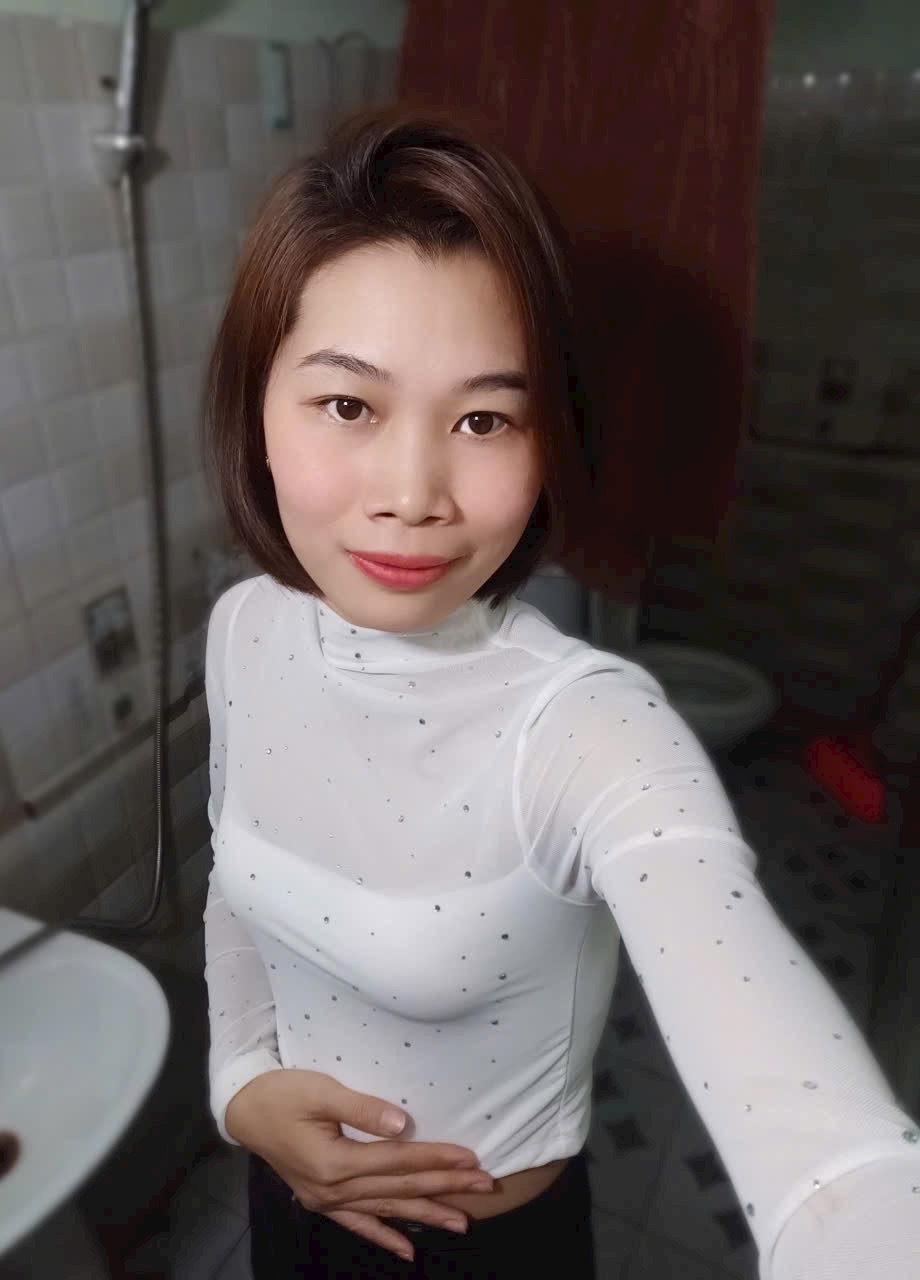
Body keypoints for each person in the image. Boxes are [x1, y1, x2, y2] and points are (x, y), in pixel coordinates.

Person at [202, 106, 920, 1280]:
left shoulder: (592, 727)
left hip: (483, 1249)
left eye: (484, 418)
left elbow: (823, 1145)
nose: (414, 492)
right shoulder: (245, 629)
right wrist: (241, 1085)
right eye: (350, 405)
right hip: (284, 1197)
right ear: (258, 412)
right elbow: (236, 893)